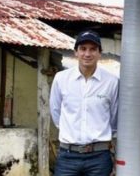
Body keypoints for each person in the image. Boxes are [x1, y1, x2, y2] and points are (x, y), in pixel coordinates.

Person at [50, 30, 119, 176]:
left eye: (93, 49)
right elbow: (56, 113)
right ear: (76, 52)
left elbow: (114, 118)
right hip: (68, 156)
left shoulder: (111, 82)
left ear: (100, 53)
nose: (87, 54)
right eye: (83, 49)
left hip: (99, 157)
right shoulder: (61, 79)